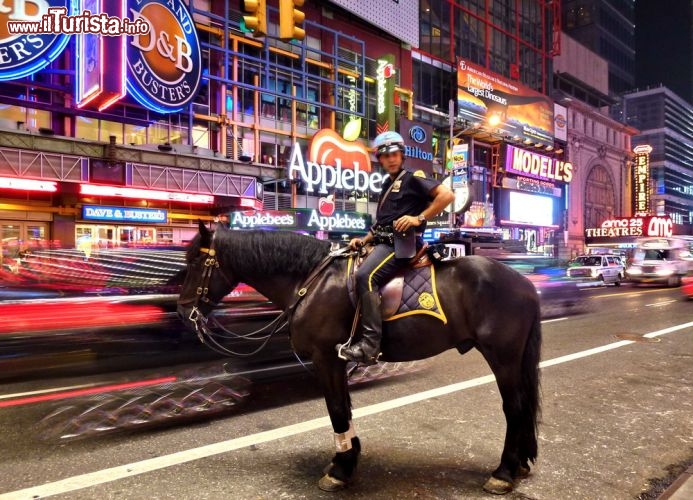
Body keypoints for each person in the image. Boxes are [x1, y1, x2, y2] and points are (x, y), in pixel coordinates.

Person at [336, 131, 455, 365]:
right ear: (380, 160)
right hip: (382, 241)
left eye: (394, 154)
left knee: (365, 276)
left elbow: (447, 195)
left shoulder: (412, 179)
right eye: (385, 155)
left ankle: (370, 345)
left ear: (402, 155)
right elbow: (382, 224)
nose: (390, 159)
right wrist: (365, 239)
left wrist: (418, 218)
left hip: (400, 245)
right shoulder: (387, 185)